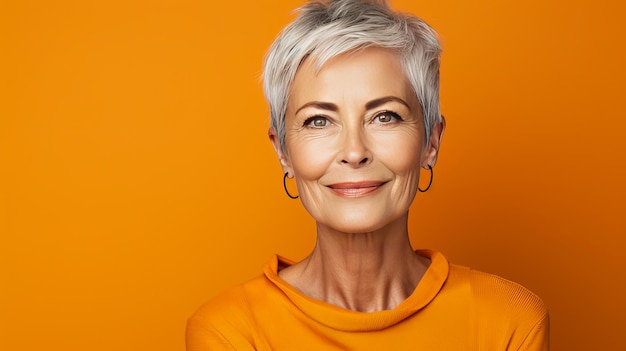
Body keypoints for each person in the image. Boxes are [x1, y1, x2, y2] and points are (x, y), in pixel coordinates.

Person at [186, 0, 549, 349]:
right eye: (319, 121)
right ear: (283, 151)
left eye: (384, 116)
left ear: (431, 142)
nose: (355, 152)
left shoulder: (508, 319)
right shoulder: (229, 332)